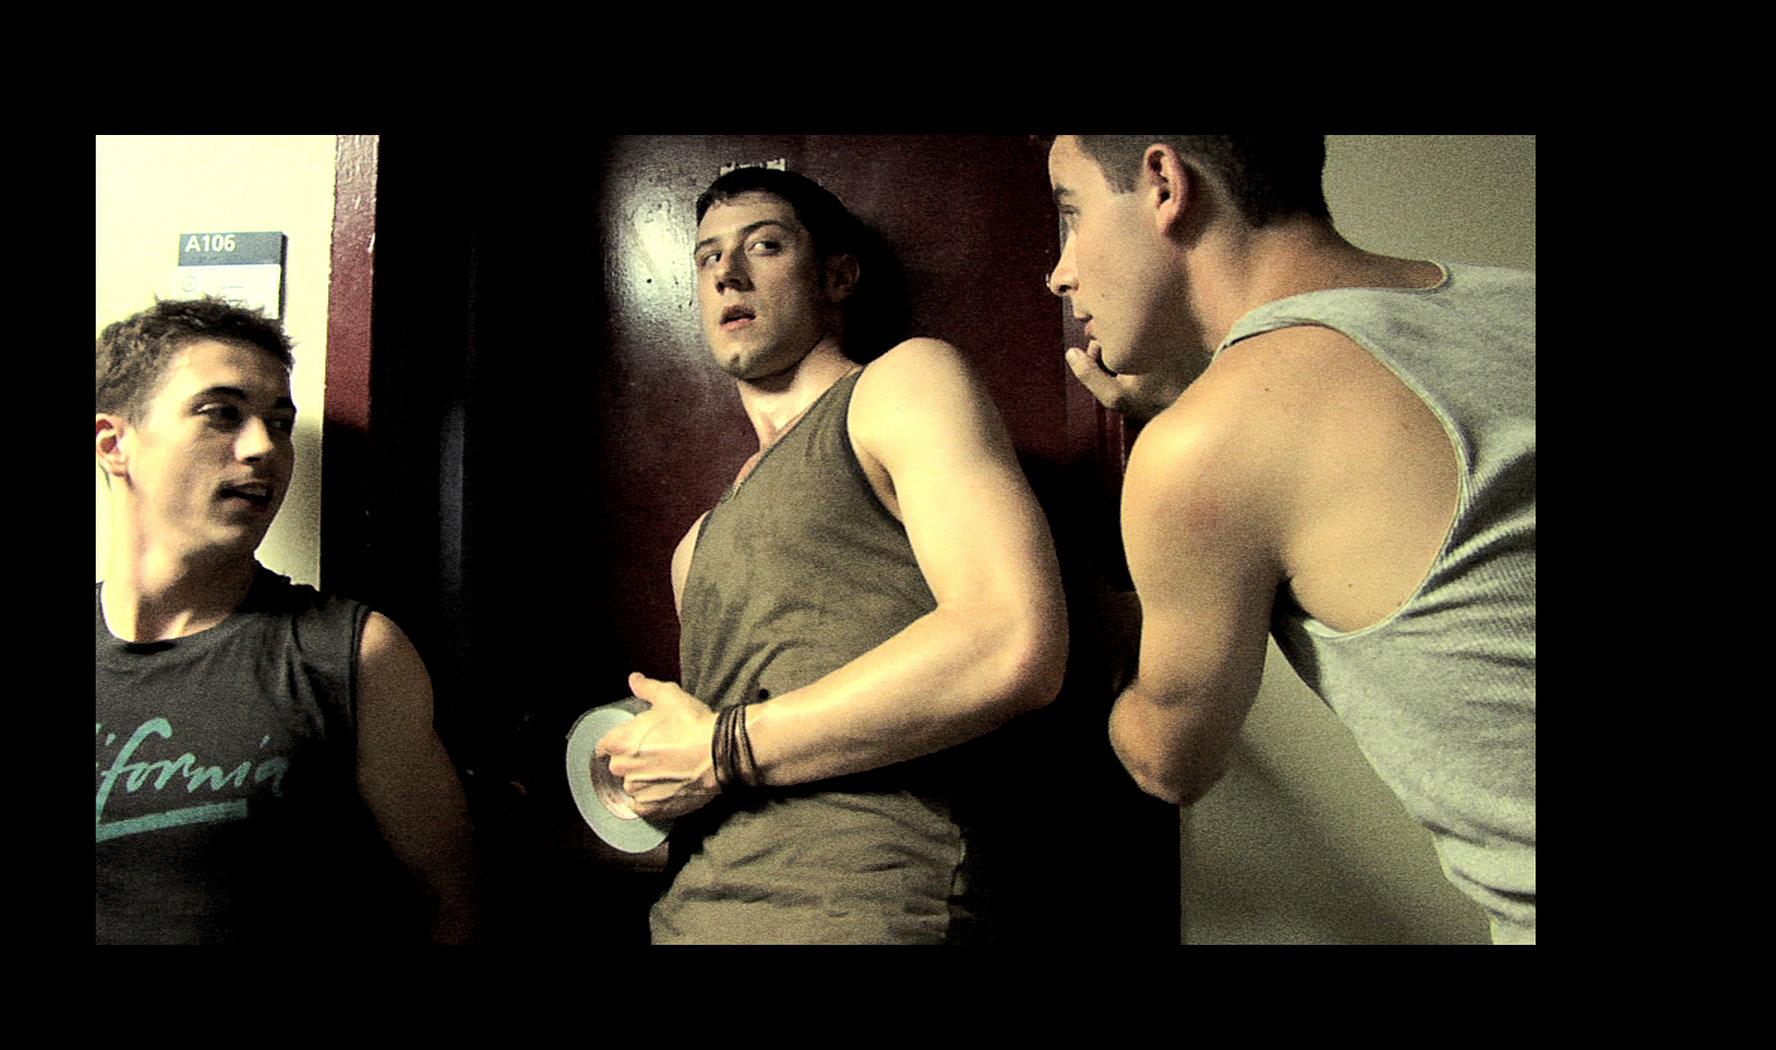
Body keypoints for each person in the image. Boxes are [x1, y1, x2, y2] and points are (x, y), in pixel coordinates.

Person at [1044, 135, 1535, 943]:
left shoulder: (1211, 443)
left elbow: (1169, 764)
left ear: (1164, 183)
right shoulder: (1517, 299)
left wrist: (1081, 617)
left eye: (1072, 213)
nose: (1059, 273)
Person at [595, 167, 1068, 944]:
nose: (727, 273)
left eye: (765, 246)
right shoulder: (695, 549)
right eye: (708, 258)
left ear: (838, 277)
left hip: (861, 908)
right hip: (686, 915)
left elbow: (1010, 642)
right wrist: (658, 772)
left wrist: (722, 747)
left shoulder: (900, 385)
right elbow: (720, 759)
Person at [95, 297, 480, 943]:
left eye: (279, 422)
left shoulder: (346, 655)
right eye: (222, 414)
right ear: (115, 444)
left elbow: (449, 898)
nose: (263, 448)